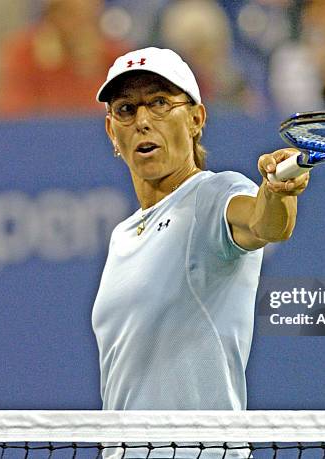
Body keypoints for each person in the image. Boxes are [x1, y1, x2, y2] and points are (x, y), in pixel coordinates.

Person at [91, 47, 309, 410]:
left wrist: (276, 191)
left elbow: (264, 224)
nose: (142, 120)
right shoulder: (122, 236)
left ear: (196, 119)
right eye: (126, 109)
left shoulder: (213, 195)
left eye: (159, 102)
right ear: (112, 131)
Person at [0, 0, 129, 117]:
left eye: (85, 16)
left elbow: (122, 113)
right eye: (68, 14)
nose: (76, 24)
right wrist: (51, 68)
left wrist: (89, 70)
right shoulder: (24, 52)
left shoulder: (114, 56)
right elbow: (11, 113)